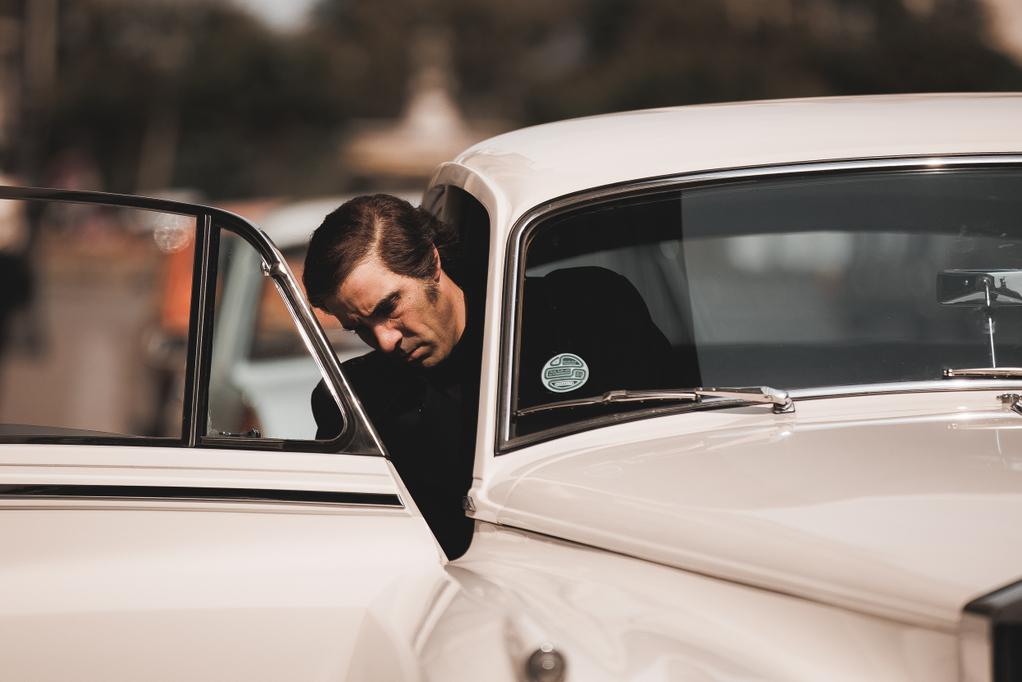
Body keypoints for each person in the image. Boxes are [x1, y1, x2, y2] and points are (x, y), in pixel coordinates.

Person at [303, 194, 480, 559]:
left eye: (389, 308)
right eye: (358, 328)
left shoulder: (578, 311)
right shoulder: (356, 405)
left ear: (432, 263)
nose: (384, 341)